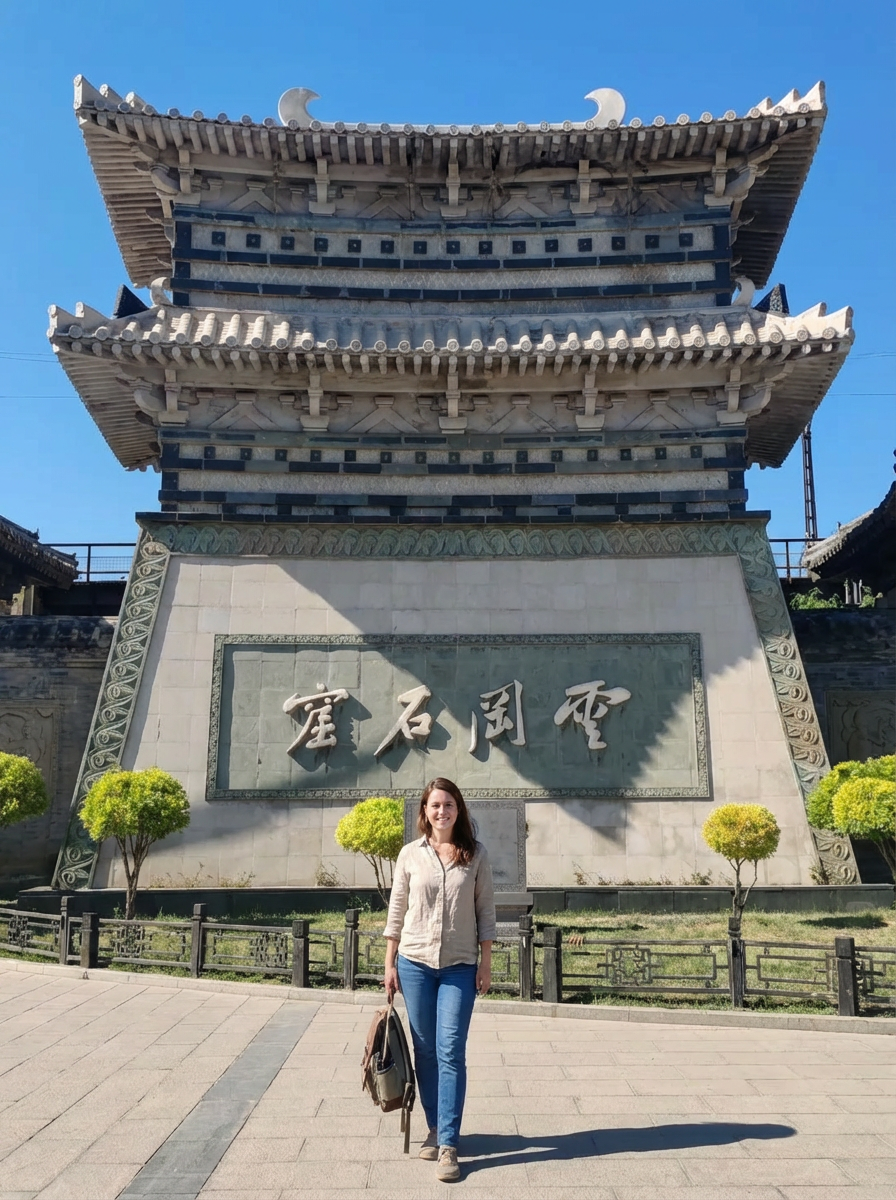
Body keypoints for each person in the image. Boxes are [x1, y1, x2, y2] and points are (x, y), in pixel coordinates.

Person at [383, 777, 496, 1183]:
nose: (442, 811)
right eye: (435, 805)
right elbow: (397, 910)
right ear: (425, 812)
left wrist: (485, 963)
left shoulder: (475, 855)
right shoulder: (410, 854)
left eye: (448, 804)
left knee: (451, 1049)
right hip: (414, 962)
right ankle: (434, 1127)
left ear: (458, 809)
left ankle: (448, 1142)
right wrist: (389, 963)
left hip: (460, 965)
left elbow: (486, 913)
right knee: (425, 1050)